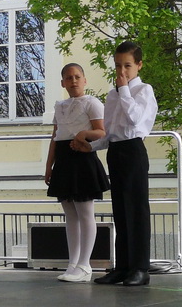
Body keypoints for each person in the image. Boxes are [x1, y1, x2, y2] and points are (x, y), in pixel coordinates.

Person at [74, 41, 158, 286]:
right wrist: (91, 147)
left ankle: (140, 268)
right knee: (120, 210)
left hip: (134, 150)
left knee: (137, 210)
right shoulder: (112, 95)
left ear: (139, 65)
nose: (122, 71)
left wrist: (124, 90)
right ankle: (122, 267)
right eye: (118, 65)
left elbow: (134, 121)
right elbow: (111, 133)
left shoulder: (143, 91)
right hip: (116, 151)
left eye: (127, 66)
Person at [43, 63, 109, 283]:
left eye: (77, 77)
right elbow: (55, 138)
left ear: (84, 80)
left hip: (82, 159)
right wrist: (49, 166)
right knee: (70, 214)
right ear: (63, 83)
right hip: (64, 161)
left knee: (85, 212)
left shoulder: (92, 103)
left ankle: (85, 265)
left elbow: (102, 132)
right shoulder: (60, 106)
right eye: (69, 78)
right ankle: (73, 263)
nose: (73, 81)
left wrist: (83, 134)